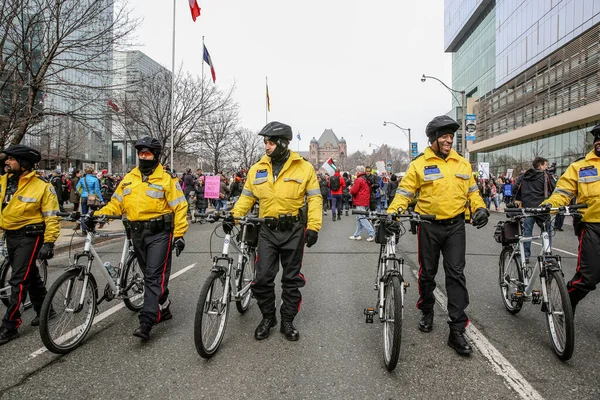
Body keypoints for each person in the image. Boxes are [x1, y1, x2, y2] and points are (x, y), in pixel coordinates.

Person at [387, 115, 488, 355]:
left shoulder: (462, 163)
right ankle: (427, 310)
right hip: (428, 225)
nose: (449, 140)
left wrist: (480, 207)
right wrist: (394, 213)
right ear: (433, 138)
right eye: (444, 136)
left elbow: (472, 192)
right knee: (427, 274)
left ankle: (456, 329)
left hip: (455, 226)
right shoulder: (419, 164)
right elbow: (404, 193)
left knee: (456, 274)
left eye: (451, 136)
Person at [227, 121, 322, 342]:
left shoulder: (304, 167)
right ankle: (268, 318)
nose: (266, 147)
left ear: (282, 143)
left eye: (270, 143)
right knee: (262, 279)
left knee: (291, 279)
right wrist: (234, 218)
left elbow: (315, 198)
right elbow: (247, 197)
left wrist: (314, 227)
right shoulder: (257, 168)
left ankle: (287, 321)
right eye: (265, 143)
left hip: (294, 231)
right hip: (267, 230)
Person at [95, 136, 188, 340]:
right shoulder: (129, 178)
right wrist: (98, 216)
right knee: (150, 277)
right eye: (141, 153)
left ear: (155, 156)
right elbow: (115, 204)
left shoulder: (167, 179)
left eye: (147, 153)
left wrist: (179, 234)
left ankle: (147, 321)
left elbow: (180, 207)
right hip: (136, 233)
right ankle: (164, 308)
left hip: (159, 234)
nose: (143, 157)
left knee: (154, 277)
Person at [0, 145, 60, 345]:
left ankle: (10, 325)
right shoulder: (3, 182)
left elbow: (51, 217)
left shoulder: (42, 186)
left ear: (23, 162)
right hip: (10, 235)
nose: (6, 162)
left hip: (30, 236)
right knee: (29, 274)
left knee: (18, 279)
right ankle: (46, 308)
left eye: (10, 159)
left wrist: (49, 242)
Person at [543, 124, 600, 314]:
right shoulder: (580, 166)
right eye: (597, 138)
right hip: (591, 226)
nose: (599, 141)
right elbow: (563, 191)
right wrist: (550, 205)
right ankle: (567, 304)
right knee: (588, 278)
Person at [513, 157, 556, 262]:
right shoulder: (546, 176)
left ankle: (526, 256)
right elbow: (555, 188)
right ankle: (548, 255)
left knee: (527, 232)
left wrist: (523, 198)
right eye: (545, 165)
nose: (547, 167)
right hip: (542, 209)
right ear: (540, 166)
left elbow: (514, 189)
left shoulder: (524, 176)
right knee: (546, 232)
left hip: (528, 209)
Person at [349, 166, 375, 241]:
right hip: (365, 200)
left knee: (361, 218)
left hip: (360, 200)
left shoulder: (359, 179)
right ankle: (357, 234)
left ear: (358, 172)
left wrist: (350, 189)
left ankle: (372, 233)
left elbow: (353, 191)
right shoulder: (366, 179)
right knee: (359, 218)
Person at [76, 167, 104, 233]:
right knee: (92, 214)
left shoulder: (82, 179)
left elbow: (77, 187)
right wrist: (101, 199)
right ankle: (92, 228)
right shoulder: (95, 179)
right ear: (92, 172)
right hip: (92, 197)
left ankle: (83, 230)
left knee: (83, 214)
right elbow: (97, 190)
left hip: (84, 197)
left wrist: (82, 193)